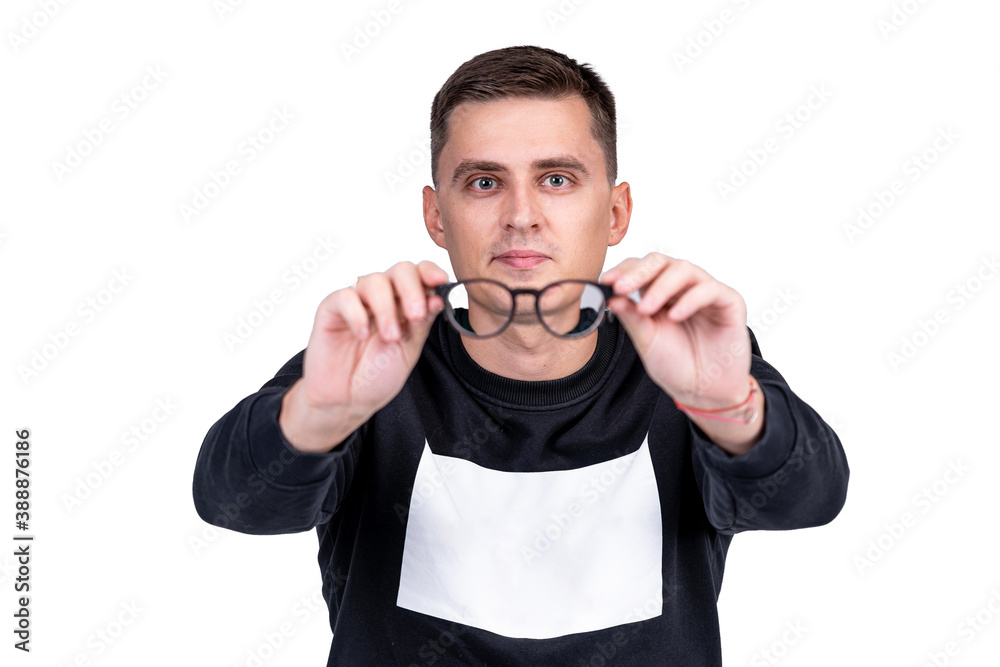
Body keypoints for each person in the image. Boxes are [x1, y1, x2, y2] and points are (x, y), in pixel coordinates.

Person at [192, 45, 849, 666]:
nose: (522, 215)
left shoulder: (686, 350)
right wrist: (322, 414)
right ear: (437, 216)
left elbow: (809, 498)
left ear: (616, 211)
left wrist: (725, 406)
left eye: (557, 178)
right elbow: (232, 501)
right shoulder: (374, 350)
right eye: (483, 182)